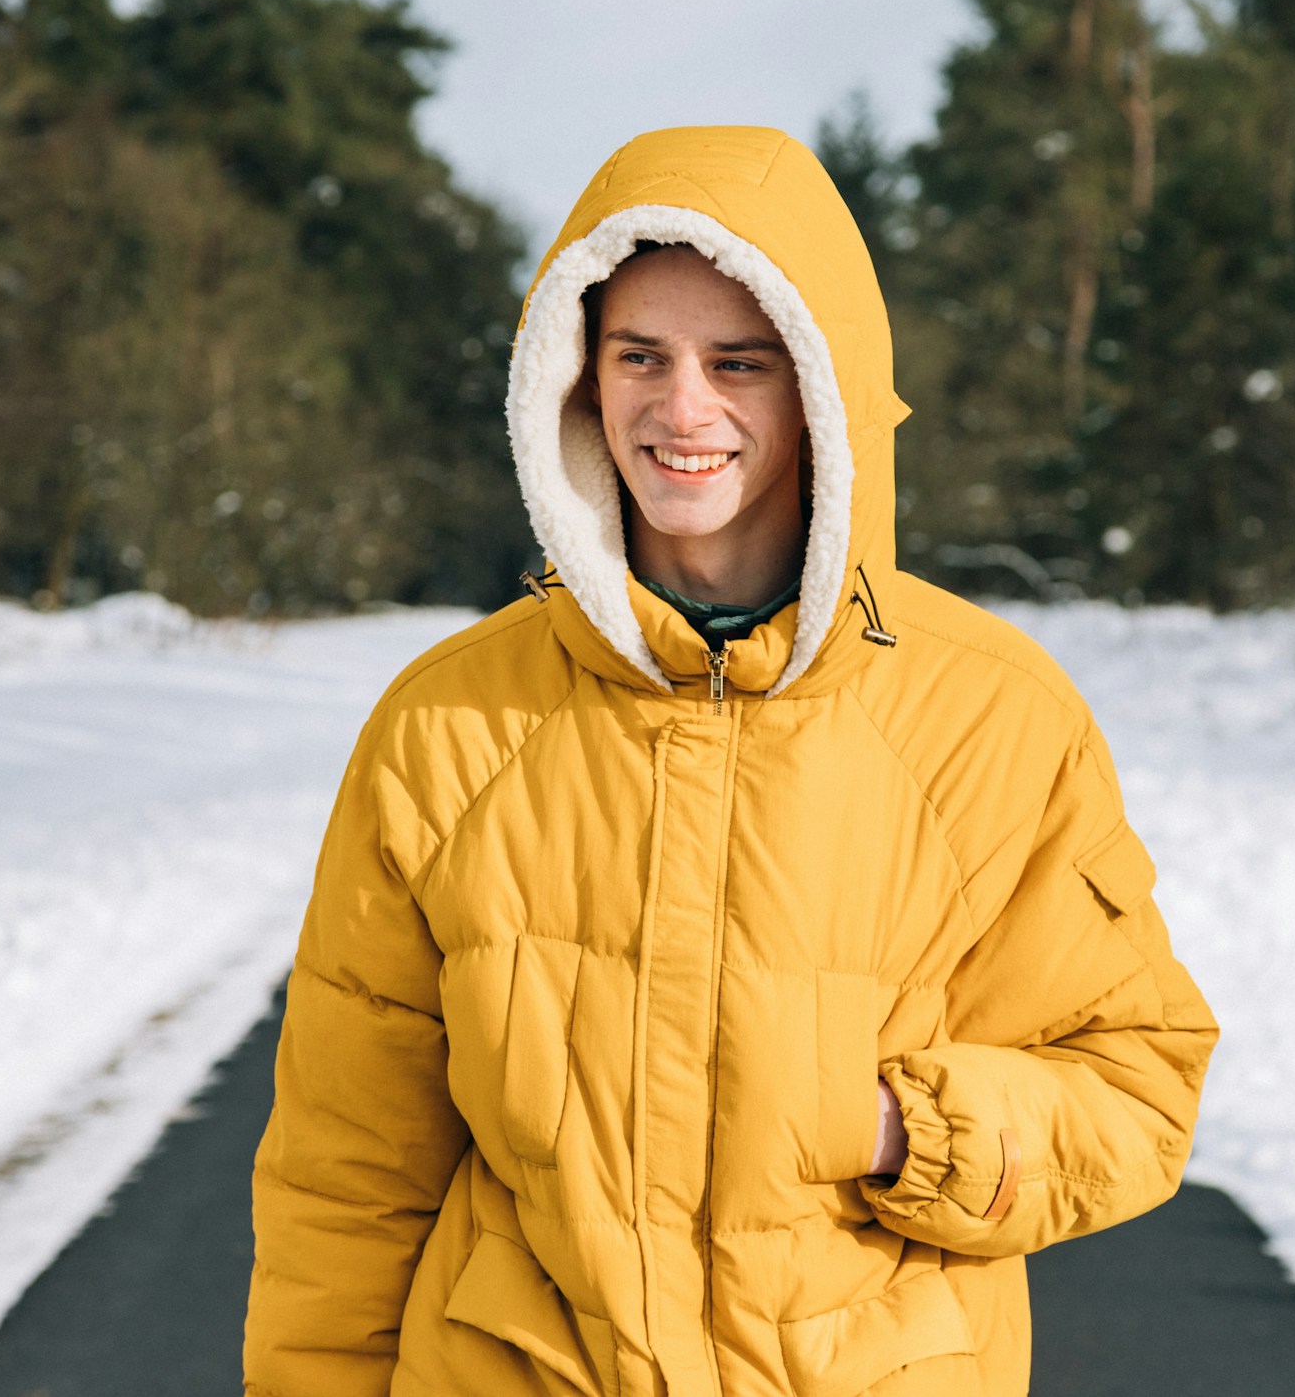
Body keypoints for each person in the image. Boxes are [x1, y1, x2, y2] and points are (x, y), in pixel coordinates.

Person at [243, 126, 1217, 1397]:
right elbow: (346, 1171)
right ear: (577, 379)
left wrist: (902, 1130)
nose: (681, 408)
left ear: (822, 393)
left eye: (739, 363)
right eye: (639, 355)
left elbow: (1135, 1084)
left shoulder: (994, 716)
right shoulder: (446, 725)